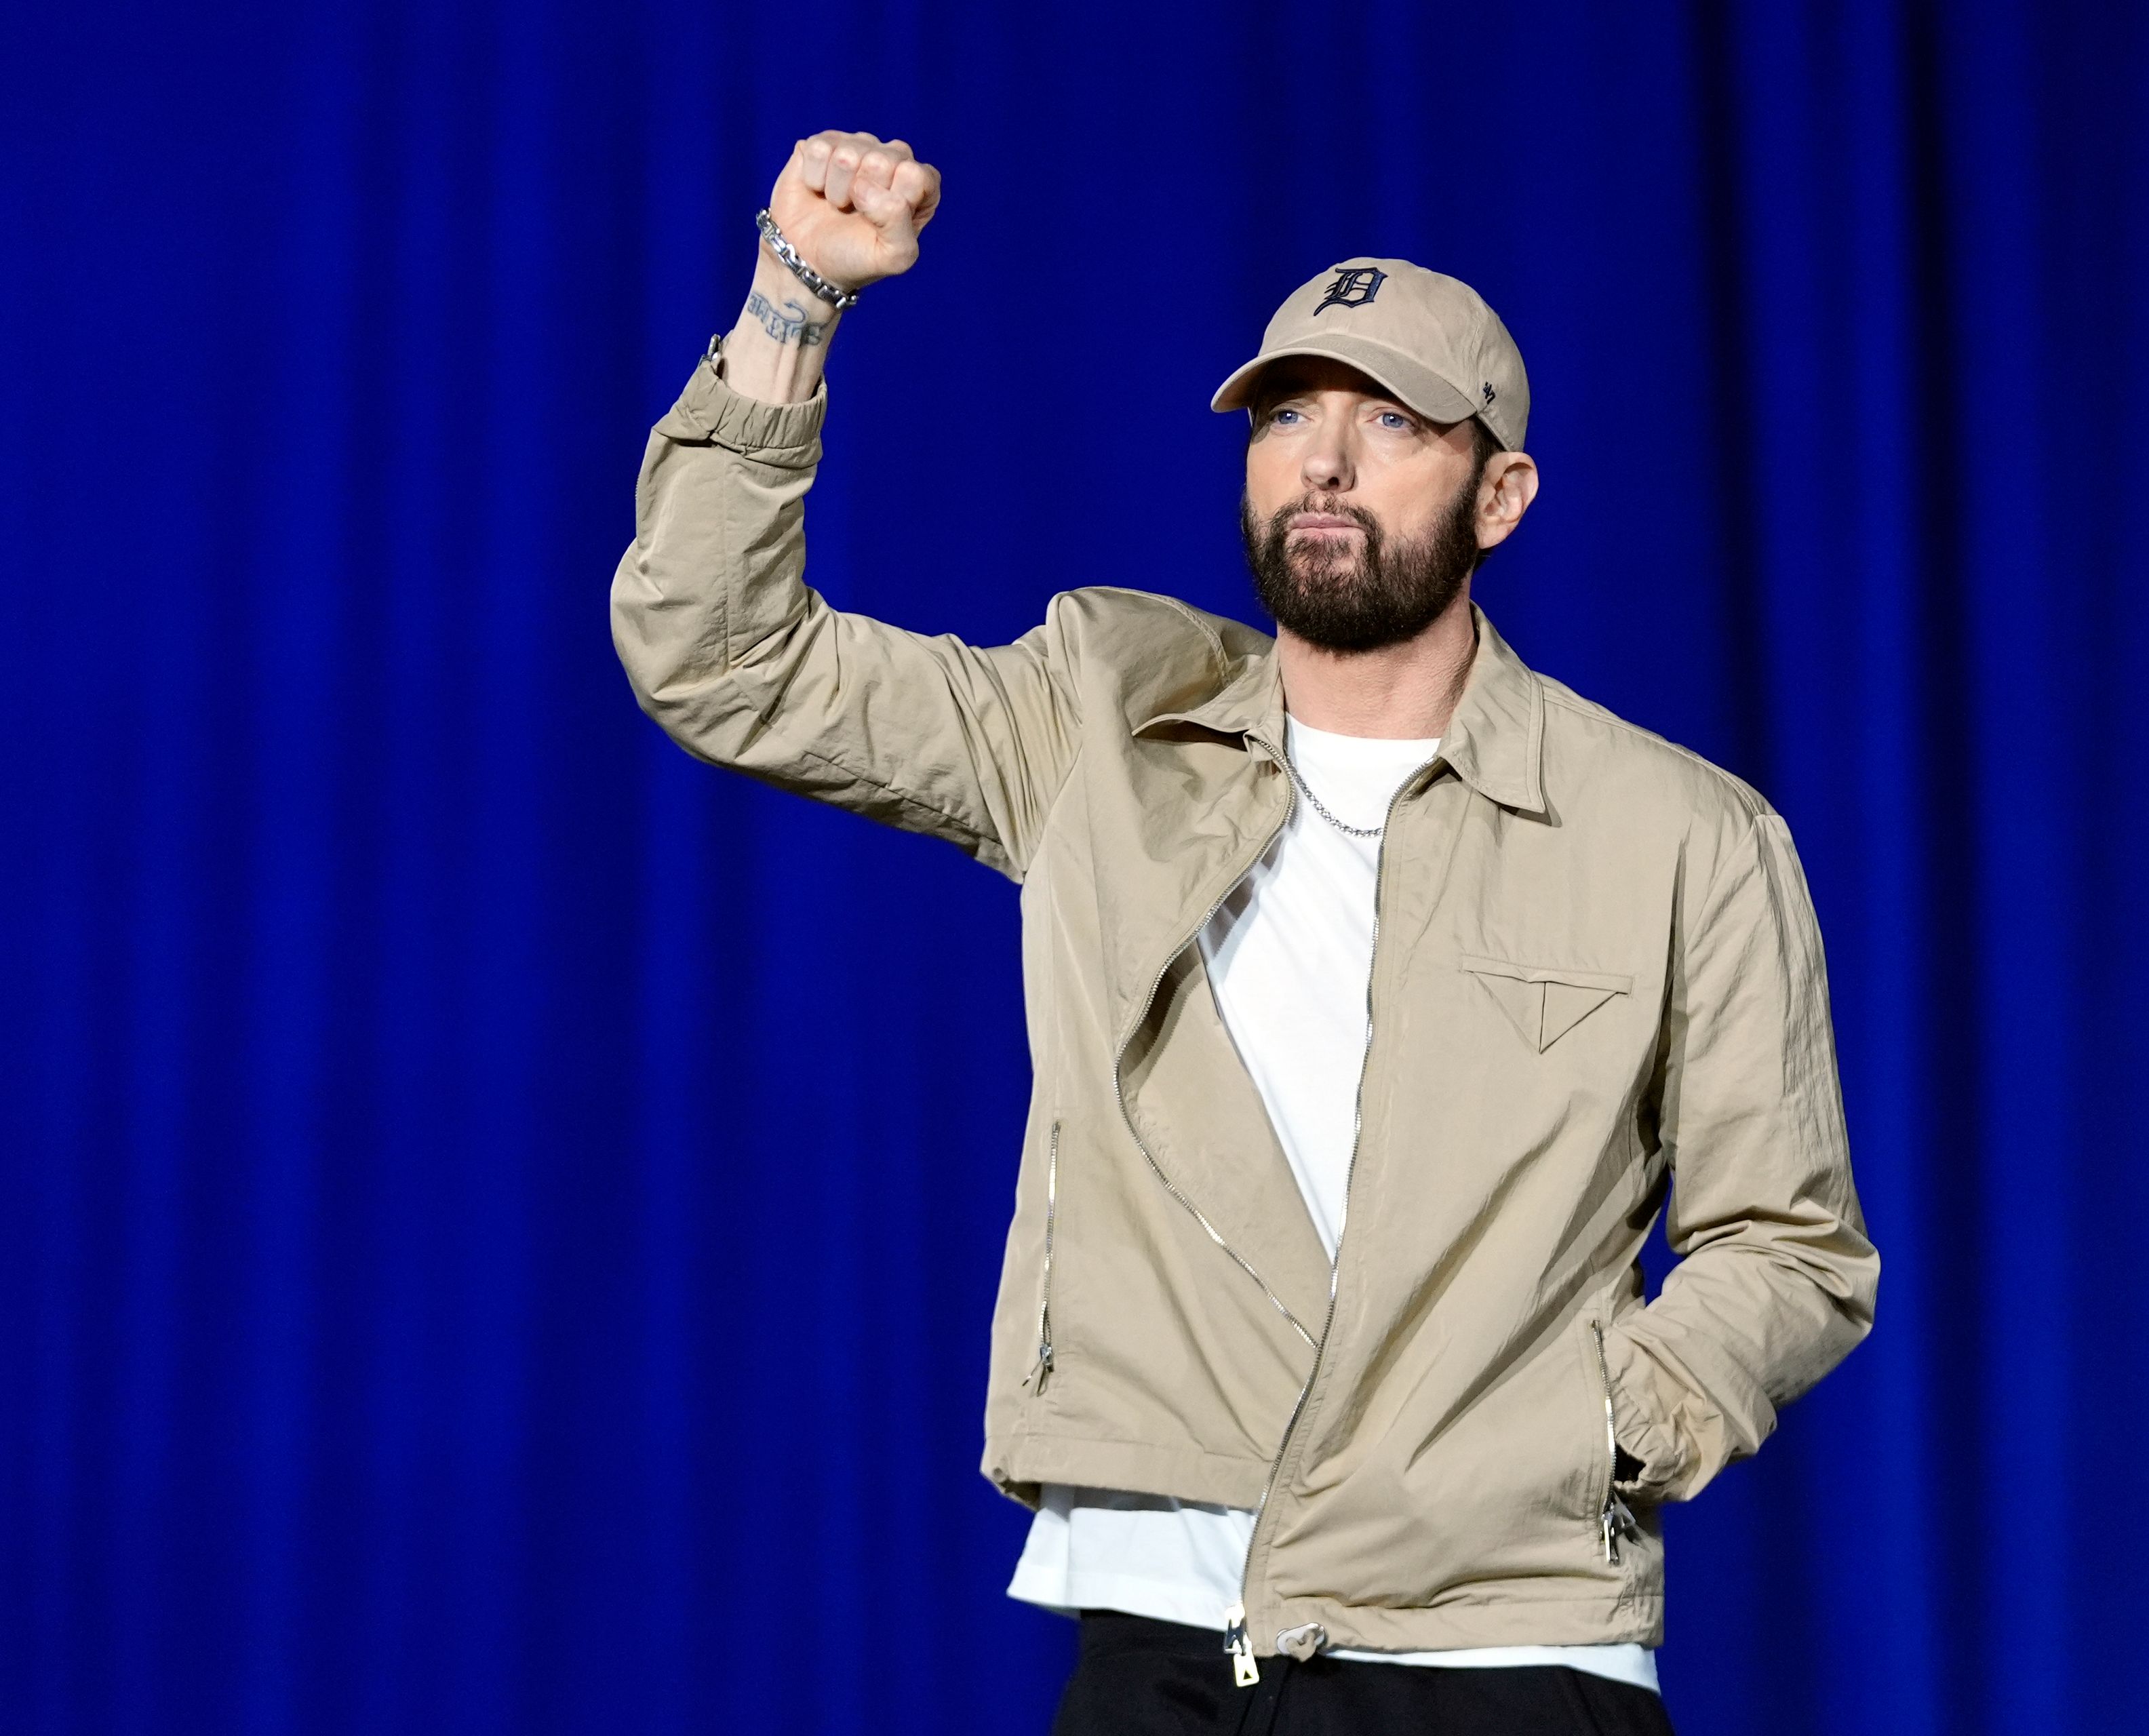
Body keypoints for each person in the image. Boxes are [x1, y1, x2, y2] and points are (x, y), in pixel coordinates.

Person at [612, 128, 1878, 1736]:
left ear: (1500, 493)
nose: (1325, 464)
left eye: (1393, 423)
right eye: (1289, 418)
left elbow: (1793, 1240)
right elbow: (720, 661)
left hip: (1503, 1647)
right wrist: (794, 297)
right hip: (1160, 1636)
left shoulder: (1681, 834)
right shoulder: (1092, 723)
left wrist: (1598, 1425)